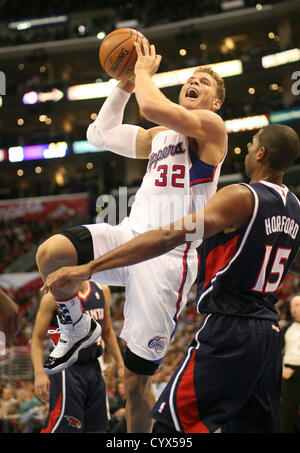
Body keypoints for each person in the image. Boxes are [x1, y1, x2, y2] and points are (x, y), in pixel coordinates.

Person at [41, 124, 300, 432]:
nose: (245, 150)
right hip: (269, 334)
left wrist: (90, 267)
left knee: (169, 429)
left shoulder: (239, 197)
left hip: (229, 327)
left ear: (261, 153)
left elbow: (167, 236)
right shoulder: (294, 208)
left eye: (252, 144)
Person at [36, 39, 227, 432]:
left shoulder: (212, 129)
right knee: (51, 253)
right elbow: (100, 135)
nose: (193, 82)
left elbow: (153, 104)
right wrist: (123, 83)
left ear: (215, 102)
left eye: (203, 82)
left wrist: (141, 72)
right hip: (128, 236)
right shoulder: (160, 135)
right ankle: (77, 326)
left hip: (166, 261)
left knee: (134, 383)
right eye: (190, 79)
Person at [31, 281, 124, 433]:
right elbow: (37, 338)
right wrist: (39, 373)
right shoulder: (53, 296)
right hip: (66, 369)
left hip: (94, 367)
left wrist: (120, 363)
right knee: (67, 428)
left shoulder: (102, 290)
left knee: (98, 428)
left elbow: (107, 331)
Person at [279, 294, 300, 433]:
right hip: (291, 374)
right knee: (286, 417)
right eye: (292, 306)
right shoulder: (286, 328)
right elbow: (276, 354)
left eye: (298, 305)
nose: (294, 309)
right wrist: (282, 370)